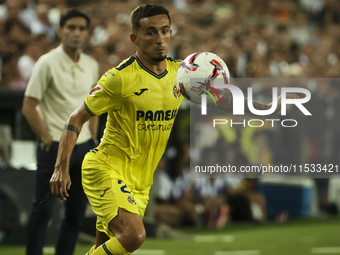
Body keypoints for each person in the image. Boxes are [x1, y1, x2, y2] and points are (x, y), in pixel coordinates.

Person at [49, 4, 299, 255]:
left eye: (165, 31)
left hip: (141, 180)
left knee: (107, 248)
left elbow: (225, 100)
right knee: (134, 236)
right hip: (106, 167)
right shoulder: (119, 78)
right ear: (134, 38)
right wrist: (61, 168)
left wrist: (267, 108)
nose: (160, 39)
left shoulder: (182, 76)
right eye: (150, 32)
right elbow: (76, 118)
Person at [22, 9, 99, 255]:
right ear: (60, 31)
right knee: (42, 211)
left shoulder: (91, 64)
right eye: (71, 28)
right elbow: (28, 105)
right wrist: (45, 137)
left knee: (75, 213)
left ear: (87, 34)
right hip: (54, 144)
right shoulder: (46, 62)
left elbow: (94, 106)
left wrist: (94, 139)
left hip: (84, 145)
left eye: (81, 29)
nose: (76, 33)